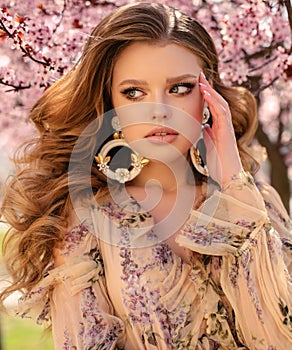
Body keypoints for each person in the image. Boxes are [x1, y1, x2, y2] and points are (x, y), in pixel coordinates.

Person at [0, 2, 291, 349]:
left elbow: (281, 335)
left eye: (180, 88)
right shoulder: (83, 217)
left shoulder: (258, 205)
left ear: (209, 94)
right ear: (111, 104)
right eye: (133, 92)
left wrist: (232, 184)